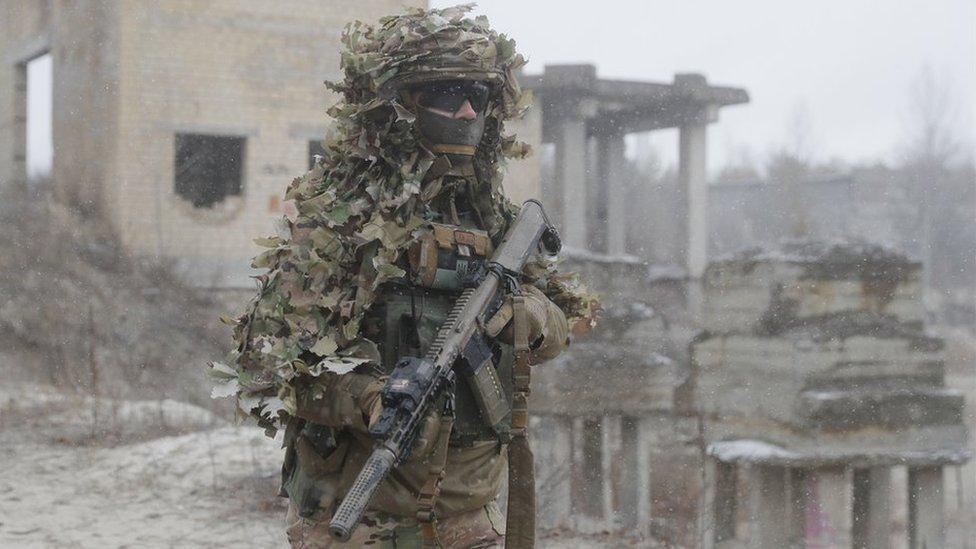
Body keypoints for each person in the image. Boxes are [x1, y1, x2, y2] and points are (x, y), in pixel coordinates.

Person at [210, 5, 597, 548]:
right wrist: (369, 396)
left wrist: (530, 316)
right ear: (398, 105)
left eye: (478, 97)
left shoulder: (497, 220)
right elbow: (264, 369)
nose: (465, 112)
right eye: (445, 94)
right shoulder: (341, 224)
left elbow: (566, 323)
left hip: (466, 514)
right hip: (357, 515)